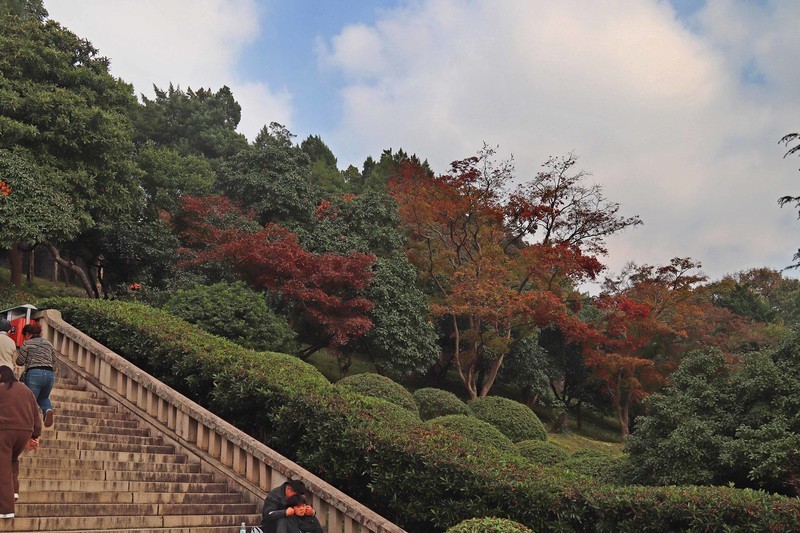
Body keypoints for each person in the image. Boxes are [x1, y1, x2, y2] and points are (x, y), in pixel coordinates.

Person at [0, 365, 42, 519]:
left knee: (2, 468)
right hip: (25, 431)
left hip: (4, 431)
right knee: (12, 461)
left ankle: (6, 510)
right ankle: (14, 492)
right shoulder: (26, 390)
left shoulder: (1, 389)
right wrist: (35, 435)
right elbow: (35, 413)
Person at [15, 322, 56, 428]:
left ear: (28, 334)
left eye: (24, 336)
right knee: (44, 397)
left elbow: (20, 361)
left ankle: (27, 425)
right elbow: (54, 360)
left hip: (34, 373)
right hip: (50, 374)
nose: (24, 338)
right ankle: (47, 410)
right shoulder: (48, 344)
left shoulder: (27, 344)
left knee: (29, 401)